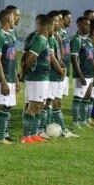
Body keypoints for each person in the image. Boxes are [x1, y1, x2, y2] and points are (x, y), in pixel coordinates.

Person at [20, 15, 59, 144]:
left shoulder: (45, 40)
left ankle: (34, 133)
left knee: (39, 106)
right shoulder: (40, 40)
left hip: (43, 77)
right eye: (53, 25)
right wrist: (24, 72)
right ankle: (26, 136)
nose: (54, 28)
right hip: (36, 78)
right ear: (48, 26)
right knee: (33, 106)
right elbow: (30, 57)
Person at [0, 8, 19, 146]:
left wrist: (17, 79)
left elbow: (13, 59)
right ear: (8, 19)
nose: (15, 20)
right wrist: (3, 81)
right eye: (13, 18)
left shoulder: (12, 34)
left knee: (7, 107)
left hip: (11, 77)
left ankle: (1, 136)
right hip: (2, 78)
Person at [69, 17, 94, 129]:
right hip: (82, 75)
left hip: (90, 74)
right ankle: (76, 122)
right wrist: (80, 75)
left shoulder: (89, 41)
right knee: (78, 99)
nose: (88, 27)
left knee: (87, 99)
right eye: (85, 24)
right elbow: (74, 59)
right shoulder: (76, 40)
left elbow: (92, 58)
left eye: (89, 25)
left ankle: (83, 120)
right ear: (79, 25)